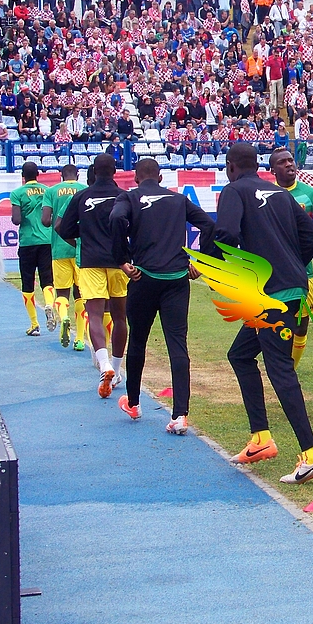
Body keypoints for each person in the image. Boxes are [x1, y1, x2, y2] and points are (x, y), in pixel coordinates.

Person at [202, 142, 313, 484]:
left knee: (280, 370)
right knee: (240, 355)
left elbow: (226, 233)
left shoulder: (234, 191)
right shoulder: (281, 194)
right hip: (293, 289)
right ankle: (261, 439)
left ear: (230, 166)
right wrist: (292, 265)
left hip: (270, 296)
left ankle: (312, 455)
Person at [110, 158, 215, 433]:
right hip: (177, 281)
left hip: (143, 278)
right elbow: (209, 225)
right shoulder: (178, 200)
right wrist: (201, 262)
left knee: (138, 340)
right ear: (160, 178)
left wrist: (122, 259)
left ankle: (133, 402)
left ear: (135, 178)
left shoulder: (129, 198)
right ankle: (180, 415)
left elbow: (116, 218)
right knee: (177, 344)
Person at [57, 153, 128, 398]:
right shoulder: (124, 196)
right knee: (119, 317)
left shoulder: (81, 196)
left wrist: (85, 235)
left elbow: (63, 229)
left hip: (90, 262)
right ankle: (116, 370)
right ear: (115, 171)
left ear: (94, 171)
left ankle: (104, 363)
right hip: (119, 262)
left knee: (95, 315)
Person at [270, 148, 313, 368]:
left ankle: (291, 371)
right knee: (271, 323)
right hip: (273, 273)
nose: (289, 164)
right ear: (272, 170)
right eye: (283, 162)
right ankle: (279, 368)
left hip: (304, 271)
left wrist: (312, 239)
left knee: (300, 325)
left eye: (291, 160)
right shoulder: (264, 194)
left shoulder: (311, 194)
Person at [40, 164, 88, 350]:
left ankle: (64, 317)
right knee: (80, 294)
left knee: (62, 292)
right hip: (80, 248)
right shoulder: (84, 189)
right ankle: (80, 339)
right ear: (78, 175)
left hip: (59, 248)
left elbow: (46, 221)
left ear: (61, 176)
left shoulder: (51, 191)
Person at [11, 162, 56, 336]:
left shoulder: (17, 193)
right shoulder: (47, 191)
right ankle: (49, 304)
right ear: (38, 174)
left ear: (23, 176)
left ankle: (34, 324)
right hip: (46, 241)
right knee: (47, 279)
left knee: (27, 283)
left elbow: (16, 220)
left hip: (28, 242)